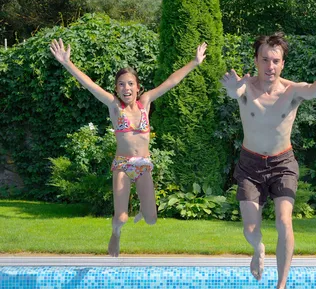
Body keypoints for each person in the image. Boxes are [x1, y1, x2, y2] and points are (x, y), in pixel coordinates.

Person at [220, 33, 316, 289]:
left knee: (284, 221)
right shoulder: (247, 89)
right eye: (264, 59)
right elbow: (235, 92)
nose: (270, 66)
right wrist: (231, 87)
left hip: (282, 163)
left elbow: (314, 90)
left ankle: (281, 287)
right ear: (256, 60)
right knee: (250, 229)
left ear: (283, 64)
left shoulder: (291, 90)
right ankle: (258, 249)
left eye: (276, 61)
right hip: (250, 164)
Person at [50, 38, 208, 257]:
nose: (126, 88)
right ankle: (115, 234)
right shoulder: (114, 106)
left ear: (138, 87)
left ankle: (144, 209)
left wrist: (194, 62)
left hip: (143, 165)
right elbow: (89, 85)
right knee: (122, 217)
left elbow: (171, 81)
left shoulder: (146, 102)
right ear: (116, 88)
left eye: (130, 83)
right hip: (123, 165)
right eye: (122, 84)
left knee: (152, 220)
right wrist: (67, 63)